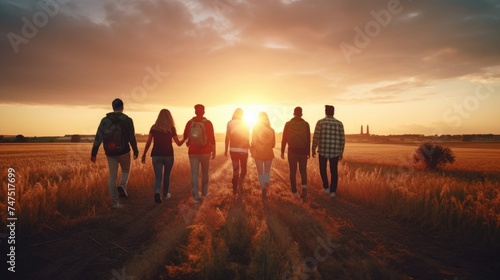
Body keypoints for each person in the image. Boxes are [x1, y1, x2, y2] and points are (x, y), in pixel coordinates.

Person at [91, 98, 139, 209]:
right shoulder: (127, 120)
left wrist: (94, 152)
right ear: (122, 107)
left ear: (113, 108)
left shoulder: (105, 120)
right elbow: (131, 137)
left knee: (112, 176)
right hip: (124, 151)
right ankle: (122, 185)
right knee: (126, 171)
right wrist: (135, 150)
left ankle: (115, 203)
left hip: (110, 152)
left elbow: (98, 137)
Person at [142, 109, 185, 203]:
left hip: (156, 155)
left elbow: (149, 141)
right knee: (166, 175)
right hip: (168, 155)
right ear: (169, 117)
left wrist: (144, 154)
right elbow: (178, 143)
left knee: (158, 177)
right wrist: (185, 138)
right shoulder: (171, 128)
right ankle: (165, 195)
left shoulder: (154, 127)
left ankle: (157, 192)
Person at [183, 104, 216, 203]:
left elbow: (185, 136)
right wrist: (214, 152)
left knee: (194, 173)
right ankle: (204, 194)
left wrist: (188, 143)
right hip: (205, 151)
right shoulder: (208, 123)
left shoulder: (189, 123)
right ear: (204, 112)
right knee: (205, 173)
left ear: (195, 112)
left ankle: (195, 196)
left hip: (192, 152)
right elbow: (212, 138)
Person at [312, 105, 345, 197]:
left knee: (323, 169)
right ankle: (333, 192)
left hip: (323, 150)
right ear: (333, 112)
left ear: (325, 112)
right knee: (334, 171)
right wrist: (341, 152)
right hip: (335, 152)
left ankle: (326, 188)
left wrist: (313, 149)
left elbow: (316, 136)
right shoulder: (339, 123)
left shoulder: (320, 122)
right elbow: (342, 139)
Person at [281, 107, 310, 198]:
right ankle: (304, 187)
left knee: (292, 171)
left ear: (294, 113)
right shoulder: (306, 124)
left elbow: (284, 139)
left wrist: (282, 151)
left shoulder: (288, 124)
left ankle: (294, 193)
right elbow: (308, 139)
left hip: (292, 151)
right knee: (303, 171)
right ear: (301, 114)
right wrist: (308, 151)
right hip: (303, 151)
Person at [224, 108, 250, 195]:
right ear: (242, 114)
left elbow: (227, 137)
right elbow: (247, 137)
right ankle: (238, 182)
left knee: (236, 169)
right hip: (244, 150)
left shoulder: (230, 123)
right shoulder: (245, 123)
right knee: (244, 170)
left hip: (233, 150)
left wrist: (225, 149)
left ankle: (235, 184)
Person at [251, 112, 275, 197]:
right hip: (269, 153)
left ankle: (263, 188)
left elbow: (253, 142)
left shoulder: (256, 128)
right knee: (267, 172)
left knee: (260, 172)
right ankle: (266, 185)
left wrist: (254, 148)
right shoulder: (271, 130)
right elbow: (273, 144)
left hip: (258, 154)